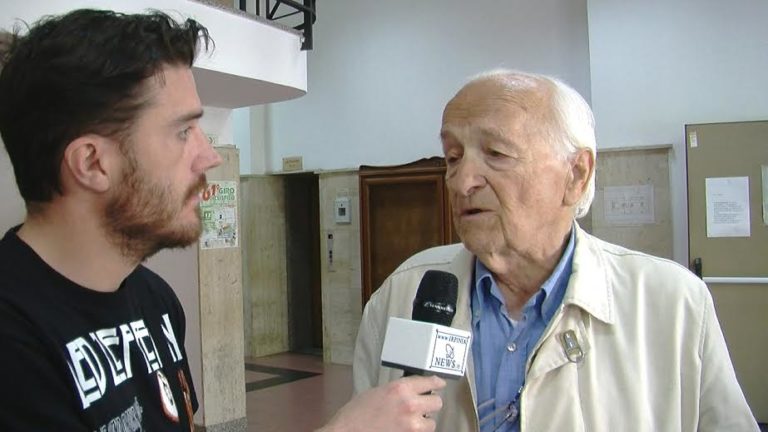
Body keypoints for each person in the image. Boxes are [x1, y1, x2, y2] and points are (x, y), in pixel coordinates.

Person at [0, 9, 444, 431]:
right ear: (93, 163)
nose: (210, 155)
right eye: (182, 132)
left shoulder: (155, 300)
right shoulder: (16, 339)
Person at [353, 70, 760, 431]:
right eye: (453, 157)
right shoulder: (402, 293)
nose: (461, 182)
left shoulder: (672, 302)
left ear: (576, 174)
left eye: (495, 153)